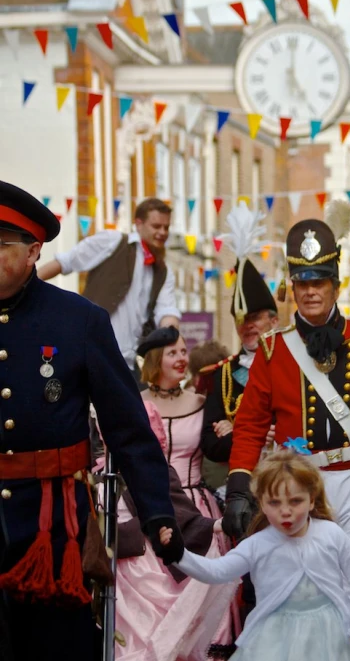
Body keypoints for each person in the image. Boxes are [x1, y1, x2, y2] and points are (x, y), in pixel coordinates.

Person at [0, 181, 184, 661]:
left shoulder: (78, 320)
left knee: (53, 648)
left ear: (34, 251)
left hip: (51, 531)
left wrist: (158, 514)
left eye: (0, 246)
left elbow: (127, 429)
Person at [223, 205, 350, 659]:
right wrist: (238, 484)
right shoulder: (272, 351)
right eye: (302, 283)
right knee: (302, 594)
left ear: (336, 285)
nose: (311, 292)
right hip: (298, 488)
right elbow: (249, 425)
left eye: (319, 282)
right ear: (292, 288)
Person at [160, 448, 350, 661]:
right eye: (274, 502)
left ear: (311, 500)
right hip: (274, 635)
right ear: (262, 503)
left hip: (331, 634)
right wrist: (179, 554)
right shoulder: (257, 544)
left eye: (295, 501)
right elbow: (218, 571)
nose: (285, 510)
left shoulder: (331, 534)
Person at [137, 326, 241, 658]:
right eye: (173, 353)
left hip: (197, 508)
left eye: (184, 351)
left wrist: (231, 428)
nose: (182, 358)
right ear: (156, 360)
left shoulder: (202, 402)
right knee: (155, 599)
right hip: (149, 510)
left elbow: (217, 447)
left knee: (203, 590)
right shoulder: (134, 404)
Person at [113, 390, 239, 661]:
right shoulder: (104, 477)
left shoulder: (156, 472)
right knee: (125, 634)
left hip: (152, 565)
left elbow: (176, 509)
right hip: (121, 576)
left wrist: (214, 525)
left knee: (159, 631)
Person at [37, 197, 179, 373]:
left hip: (129, 363)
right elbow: (66, 262)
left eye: (166, 227)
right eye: (156, 226)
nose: (162, 232)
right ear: (138, 223)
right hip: (89, 352)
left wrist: (170, 332)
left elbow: (166, 311)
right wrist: (27, 284)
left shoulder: (164, 271)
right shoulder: (113, 241)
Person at [200, 203, 279, 466]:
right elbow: (211, 445)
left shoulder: (292, 364)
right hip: (240, 484)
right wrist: (256, 435)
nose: (247, 326)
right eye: (241, 319)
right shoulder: (221, 375)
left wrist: (237, 431)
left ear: (274, 320)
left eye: (255, 317)